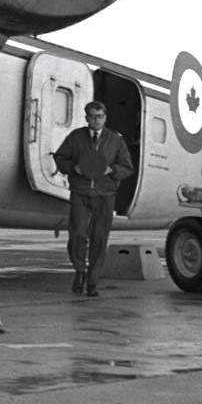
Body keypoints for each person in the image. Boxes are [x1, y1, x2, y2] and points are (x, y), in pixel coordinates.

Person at [52, 100, 134, 297]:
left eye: (99, 116)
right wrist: (75, 168)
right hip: (80, 191)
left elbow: (127, 167)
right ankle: (79, 272)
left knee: (99, 238)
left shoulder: (115, 141)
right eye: (92, 116)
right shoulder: (76, 137)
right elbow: (60, 158)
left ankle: (92, 283)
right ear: (86, 117)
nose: (96, 120)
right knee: (78, 234)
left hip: (105, 195)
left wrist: (111, 170)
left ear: (105, 118)